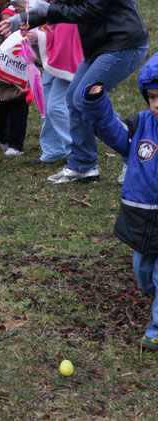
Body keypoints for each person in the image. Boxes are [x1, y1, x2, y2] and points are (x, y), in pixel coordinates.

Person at [0, 0, 149, 184]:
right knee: (73, 99)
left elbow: (91, 11)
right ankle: (83, 164)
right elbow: (64, 1)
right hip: (101, 46)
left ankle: (134, 154)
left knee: (84, 99)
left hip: (123, 45)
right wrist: (23, 19)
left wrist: (48, 10)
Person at [80, 54, 158, 353]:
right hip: (140, 215)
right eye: (151, 97)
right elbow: (114, 133)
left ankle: (156, 329)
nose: (156, 104)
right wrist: (97, 103)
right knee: (143, 272)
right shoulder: (141, 124)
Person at [29, 0, 82, 164]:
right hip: (52, 65)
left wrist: (40, 36)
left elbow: (63, 39)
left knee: (55, 106)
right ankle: (53, 149)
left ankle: (78, 147)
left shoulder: (67, 11)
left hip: (64, 66)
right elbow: (52, 30)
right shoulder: (54, 7)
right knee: (47, 106)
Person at [0, 0, 29, 156]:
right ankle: (3, 139)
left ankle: (16, 145)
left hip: (18, 90)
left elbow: (36, 62)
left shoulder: (26, 41)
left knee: (17, 120)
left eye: (10, 22)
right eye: (3, 21)